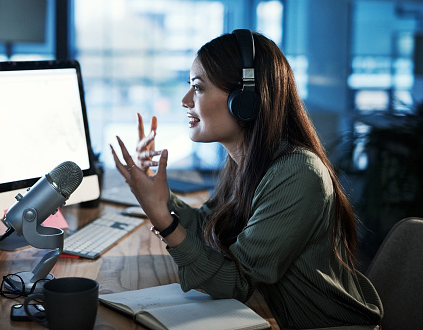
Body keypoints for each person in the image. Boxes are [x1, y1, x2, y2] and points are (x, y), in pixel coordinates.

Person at [110, 29, 383, 329]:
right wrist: (156, 194)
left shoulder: (298, 173)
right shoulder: (246, 163)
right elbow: (207, 228)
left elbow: (235, 283)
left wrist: (166, 221)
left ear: (245, 100)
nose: (186, 100)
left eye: (198, 88)